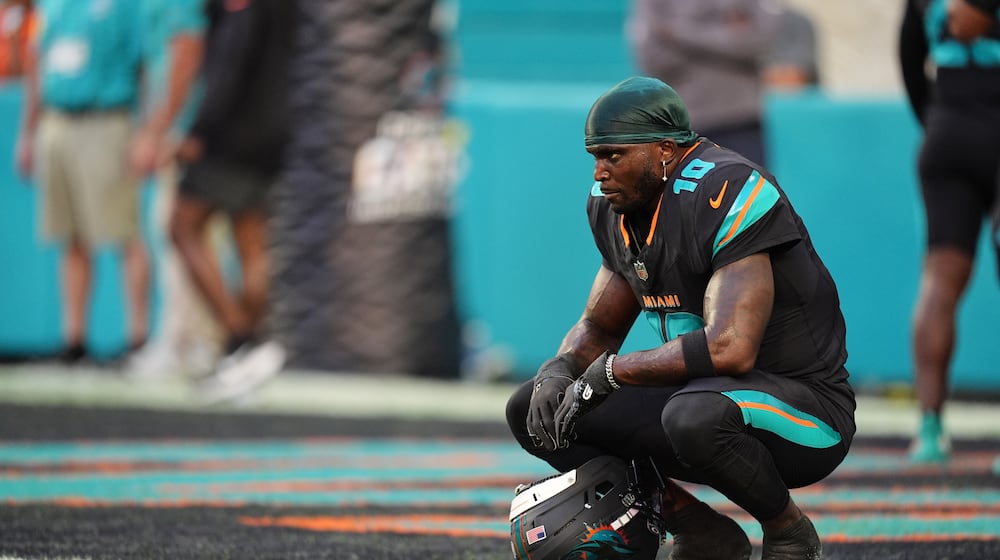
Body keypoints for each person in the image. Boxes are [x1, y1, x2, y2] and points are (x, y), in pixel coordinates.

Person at [506, 76, 855, 560]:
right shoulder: (616, 207)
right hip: (697, 396)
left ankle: (788, 529)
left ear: (665, 150)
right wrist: (558, 370)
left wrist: (611, 372)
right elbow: (601, 327)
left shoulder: (724, 190)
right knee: (536, 410)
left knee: (692, 415)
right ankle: (699, 528)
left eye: (613, 155)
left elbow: (731, 346)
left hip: (806, 410)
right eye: (595, 157)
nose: (600, 172)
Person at [169, 0, 293, 401]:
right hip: (273, 129)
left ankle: (242, 339)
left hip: (233, 133)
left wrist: (200, 129)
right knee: (251, 241)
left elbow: (232, 61)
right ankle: (249, 349)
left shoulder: (243, 9)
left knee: (182, 226)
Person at [14, 0, 151, 363]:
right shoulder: (51, 5)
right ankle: (74, 340)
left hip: (105, 119)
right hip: (57, 120)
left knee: (124, 232)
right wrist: (27, 131)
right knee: (71, 235)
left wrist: (148, 130)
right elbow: (36, 62)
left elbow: (146, 64)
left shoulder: (126, 6)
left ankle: (138, 340)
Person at [899, 0, 1000, 463]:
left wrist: (940, 120)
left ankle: (930, 428)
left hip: (948, 131)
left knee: (939, 281)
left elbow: (909, 57)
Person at [125, 0, 224, 379]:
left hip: (189, 132)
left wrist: (160, 130)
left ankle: (196, 340)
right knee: (172, 232)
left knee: (185, 231)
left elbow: (187, 51)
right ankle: (184, 338)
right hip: (180, 128)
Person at [627, 0, 778, 168]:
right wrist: (727, 36)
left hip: (742, 124)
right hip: (684, 131)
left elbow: (762, 41)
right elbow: (653, 60)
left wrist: (676, 34)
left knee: (750, 193)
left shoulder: (673, 31)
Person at [0, 0, 34, 81]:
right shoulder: (4, 14)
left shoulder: (32, 21)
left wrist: (14, 43)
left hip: (15, 83)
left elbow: (18, 72)